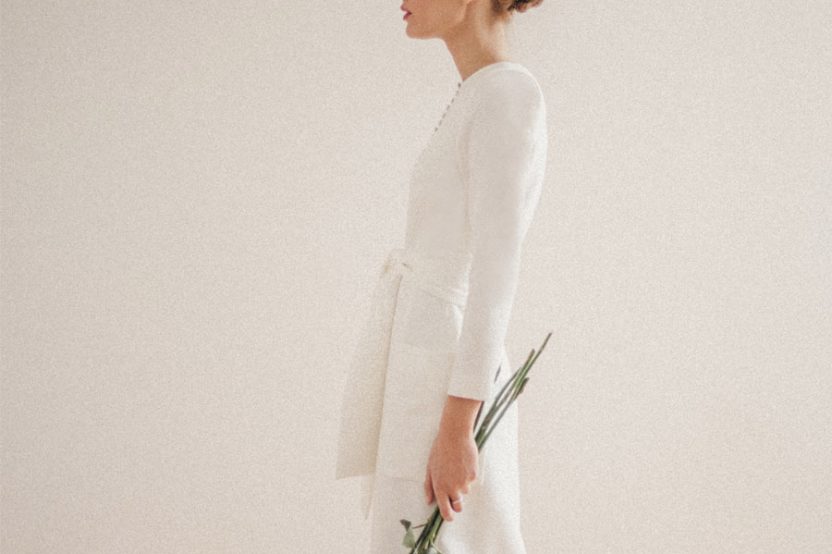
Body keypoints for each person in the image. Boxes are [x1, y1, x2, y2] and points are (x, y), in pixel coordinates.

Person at [334, 0, 547, 551]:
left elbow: (496, 273)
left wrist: (457, 426)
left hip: (448, 386)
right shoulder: (480, 93)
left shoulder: (507, 95)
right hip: (424, 367)